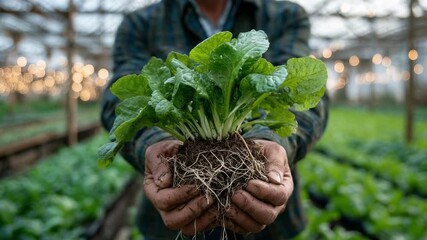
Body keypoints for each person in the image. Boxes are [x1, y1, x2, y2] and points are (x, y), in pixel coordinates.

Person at [100, 0, 329, 239]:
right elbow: (118, 101)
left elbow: (303, 92)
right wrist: (155, 144)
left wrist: (268, 141)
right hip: (173, 217)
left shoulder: (286, 15)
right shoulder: (140, 24)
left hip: (268, 226)